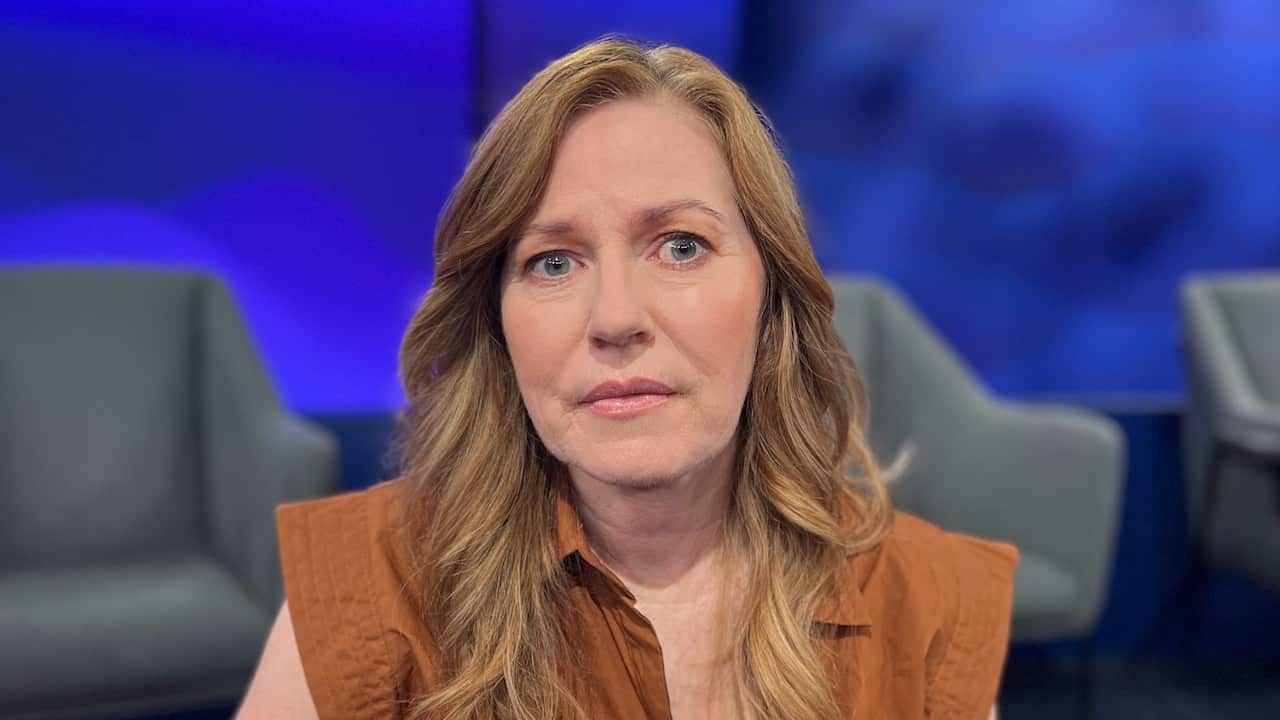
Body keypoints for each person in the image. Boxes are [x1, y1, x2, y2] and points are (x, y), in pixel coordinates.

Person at [237, 37, 1017, 720]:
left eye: (680, 246)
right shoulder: (370, 585)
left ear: (770, 291)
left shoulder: (927, 602)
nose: (615, 318)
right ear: (497, 325)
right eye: (552, 262)